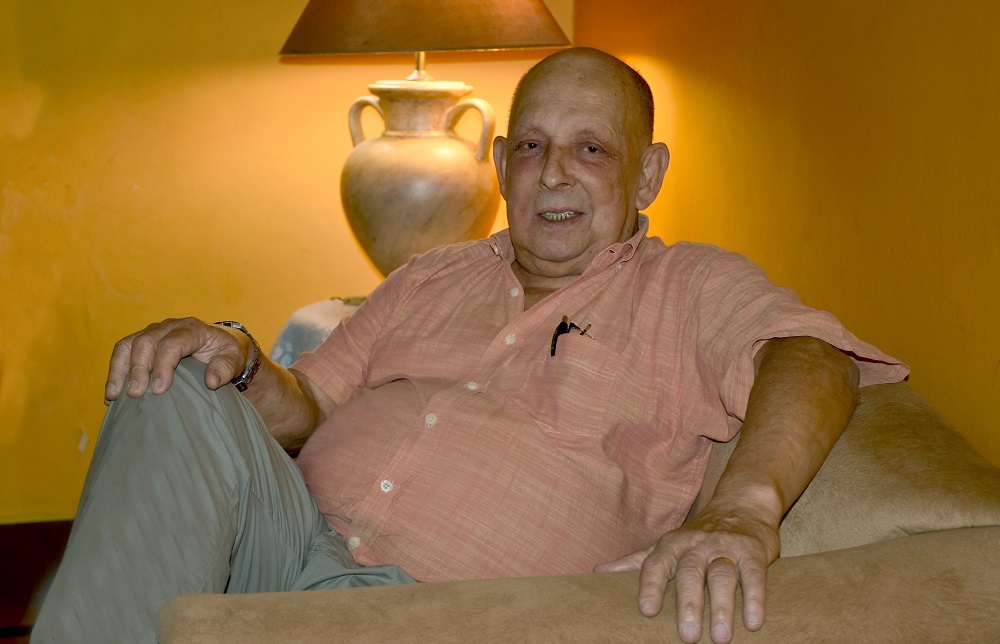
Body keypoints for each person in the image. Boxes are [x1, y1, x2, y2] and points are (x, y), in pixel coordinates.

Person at [35, 47, 906, 644]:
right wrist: (237, 352)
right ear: (499, 163)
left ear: (647, 174)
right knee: (175, 374)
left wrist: (743, 507)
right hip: (288, 539)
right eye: (531, 146)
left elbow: (810, 356)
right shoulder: (432, 274)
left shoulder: (687, 286)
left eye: (590, 148)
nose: (553, 172)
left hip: (438, 613)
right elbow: (307, 405)